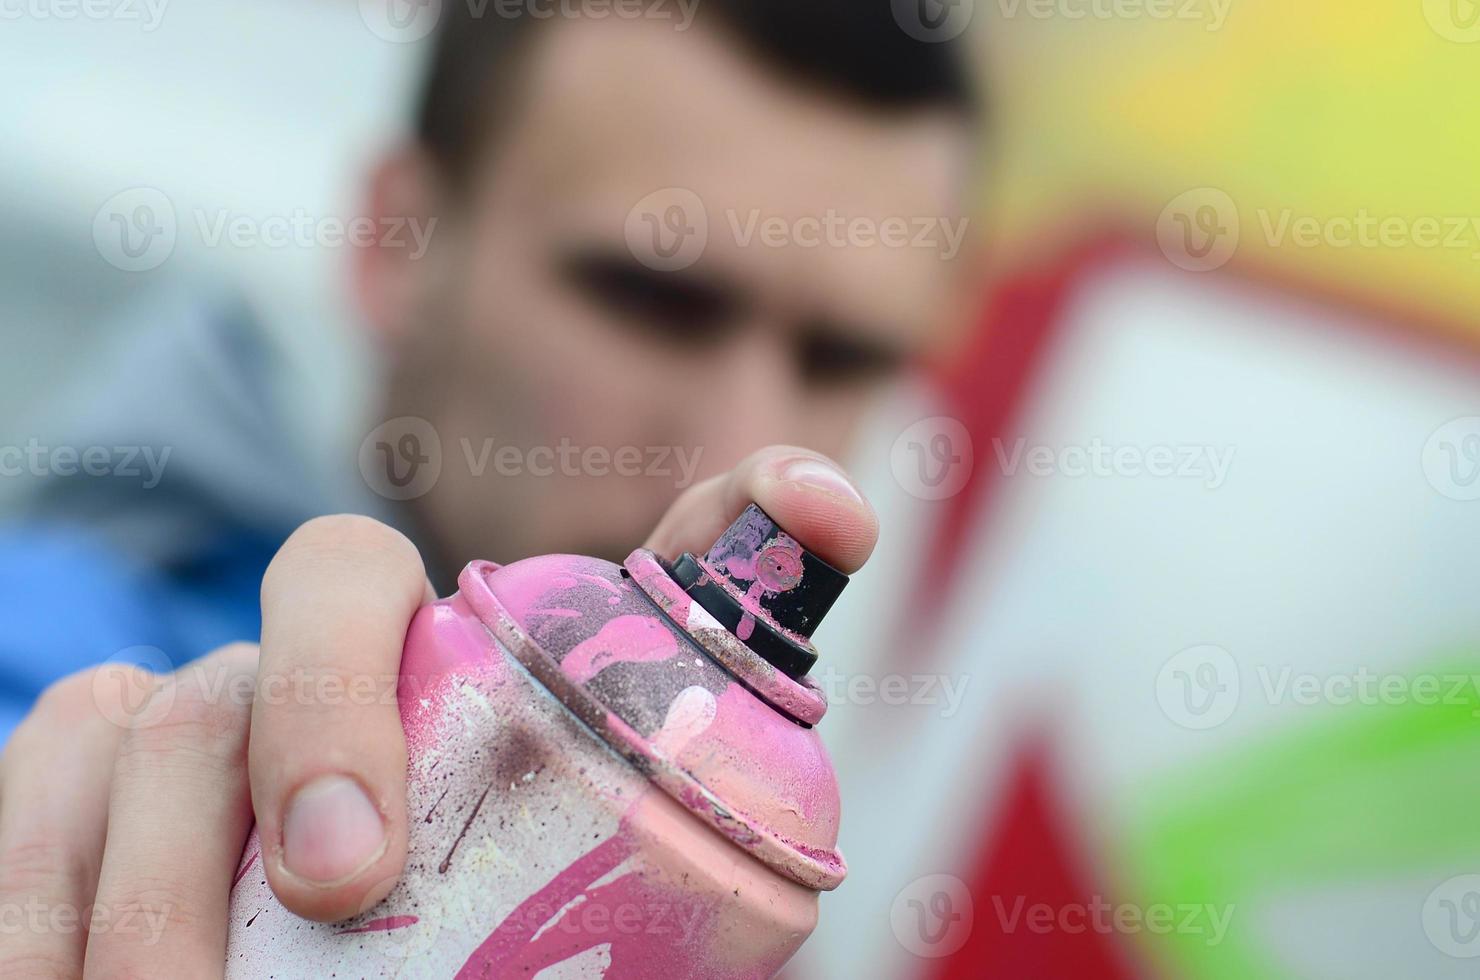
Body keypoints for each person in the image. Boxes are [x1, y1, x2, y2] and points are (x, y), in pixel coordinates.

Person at [0, 2, 979, 974]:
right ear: (399, 242)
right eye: (654, 301)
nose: (736, 445)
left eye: (841, 358)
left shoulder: (747, 884)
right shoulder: (68, 672)